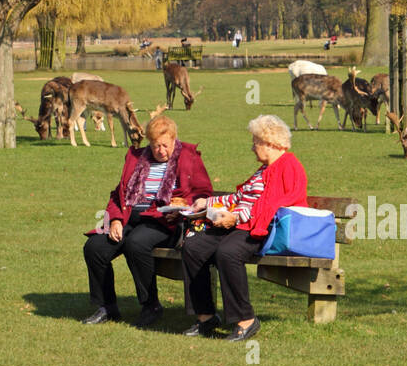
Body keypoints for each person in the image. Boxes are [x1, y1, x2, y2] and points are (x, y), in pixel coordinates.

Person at [181, 114, 308, 342]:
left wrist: (235, 219)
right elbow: (241, 197)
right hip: (240, 223)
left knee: (228, 253)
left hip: (263, 229)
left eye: (255, 143)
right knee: (194, 247)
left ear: (270, 143)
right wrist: (207, 203)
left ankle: (246, 320)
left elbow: (274, 204)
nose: (252, 148)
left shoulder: (289, 165)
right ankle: (206, 317)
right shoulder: (262, 169)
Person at [82, 114, 212, 328]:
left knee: (137, 243)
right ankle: (107, 307)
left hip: (164, 220)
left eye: (165, 145)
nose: (160, 151)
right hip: (129, 217)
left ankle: (150, 304)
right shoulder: (137, 158)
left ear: (174, 140)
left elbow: (203, 193)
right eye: (155, 145)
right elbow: (119, 194)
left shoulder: (188, 157)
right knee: (94, 247)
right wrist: (114, 220)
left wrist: (182, 206)